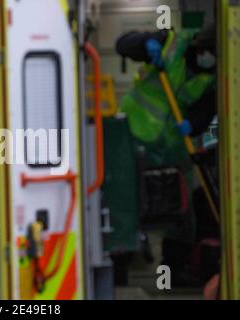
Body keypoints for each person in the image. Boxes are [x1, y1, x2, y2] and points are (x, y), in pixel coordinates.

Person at [116, 24, 218, 286]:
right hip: (132, 136)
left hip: (170, 150)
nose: (208, 57)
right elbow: (122, 44)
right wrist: (145, 43)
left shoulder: (212, 79)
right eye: (205, 50)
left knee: (183, 216)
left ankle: (172, 273)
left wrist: (193, 124)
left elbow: (205, 113)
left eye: (213, 53)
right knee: (124, 205)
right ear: (197, 44)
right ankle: (119, 272)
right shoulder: (170, 42)